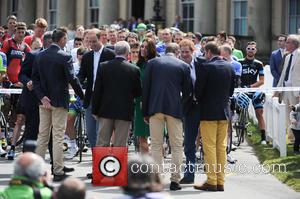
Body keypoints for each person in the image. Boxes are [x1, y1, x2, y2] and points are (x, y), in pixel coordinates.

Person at [32, 27, 84, 182]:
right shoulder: (65, 56)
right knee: (58, 136)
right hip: (59, 102)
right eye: (65, 39)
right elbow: (72, 79)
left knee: (42, 136)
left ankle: (38, 172)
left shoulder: (40, 56)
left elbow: (35, 80)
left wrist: (42, 97)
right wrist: (84, 97)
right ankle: (58, 170)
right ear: (62, 40)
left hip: (44, 102)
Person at [142, 43, 192, 191]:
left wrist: (145, 111)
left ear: (165, 51)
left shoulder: (152, 63)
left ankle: (157, 179)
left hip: (155, 108)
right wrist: (181, 107)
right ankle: (175, 180)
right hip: (174, 110)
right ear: (177, 52)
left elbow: (146, 89)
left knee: (156, 145)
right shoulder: (183, 66)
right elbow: (188, 92)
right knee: (176, 146)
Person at [193, 42, 235, 192]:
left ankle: (211, 181)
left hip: (208, 112)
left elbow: (198, 92)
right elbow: (231, 91)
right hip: (224, 112)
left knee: (209, 147)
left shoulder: (205, 67)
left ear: (208, 53)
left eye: (205, 53)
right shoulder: (230, 67)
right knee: (221, 147)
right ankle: (220, 181)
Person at [92, 41, 141, 147]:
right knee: (120, 144)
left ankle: (100, 164)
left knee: (102, 143)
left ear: (115, 52)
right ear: (128, 53)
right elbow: (138, 92)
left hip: (105, 110)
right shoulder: (134, 69)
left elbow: (97, 90)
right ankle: (119, 164)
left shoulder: (103, 66)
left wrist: (94, 110)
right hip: (124, 112)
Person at [1, 22, 31, 160]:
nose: (20, 34)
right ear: (15, 32)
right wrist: (6, 79)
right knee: (4, 110)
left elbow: (31, 65)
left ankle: (12, 142)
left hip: (20, 85)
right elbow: (3, 61)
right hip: (7, 82)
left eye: (22, 32)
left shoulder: (26, 47)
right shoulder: (8, 43)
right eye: (18, 32)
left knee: (17, 116)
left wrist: (24, 82)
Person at [178, 39, 205, 184]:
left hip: (204, 107)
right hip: (188, 109)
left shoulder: (202, 64)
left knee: (208, 141)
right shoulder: (178, 66)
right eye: (182, 52)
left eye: (187, 52)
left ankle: (214, 174)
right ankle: (189, 173)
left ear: (192, 51)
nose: (184, 54)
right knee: (189, 142)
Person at [239, 41, 266, 145]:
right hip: (242, 90)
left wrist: (251, 87)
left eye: (253, 49)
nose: (250, 50)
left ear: (256, 51)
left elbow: (262, 81)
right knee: (237, 106)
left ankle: (263, 137)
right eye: (249, 48)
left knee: (259, 112)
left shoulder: (259, 64)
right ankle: (239, 120)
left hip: (254, 90)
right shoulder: (240, 62)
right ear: (246, 50)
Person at [134, 38, 157, 153]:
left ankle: (156, 166)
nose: (143, 49)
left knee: (156, 139)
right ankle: (146, 167)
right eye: (142, 47)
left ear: (151, 49)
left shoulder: (156, 64)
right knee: (141, 137)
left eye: (146, 47)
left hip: (153, 104)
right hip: (139, 103)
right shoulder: (138, 64)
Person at [277, 34, 300, 143]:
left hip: (296, 91)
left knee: (296, 115)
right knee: (287, 114)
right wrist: (277, 90)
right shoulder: (287, 56)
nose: (285, 44)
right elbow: (283, 75)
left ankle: (297, 138)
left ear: (294, 44)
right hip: (286, 89)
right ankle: (291, 138)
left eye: (287, 42)